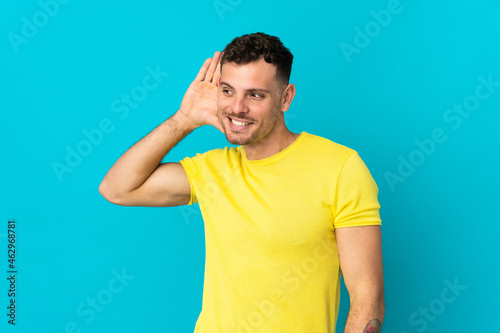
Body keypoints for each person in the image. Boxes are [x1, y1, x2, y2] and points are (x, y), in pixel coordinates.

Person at [99, 32, 385, 333]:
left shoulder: (340, 168)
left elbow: (367, 297)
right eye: (227, 91)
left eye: (255, 95)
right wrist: (184, 119)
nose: (237, 108)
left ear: (285, 98)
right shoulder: (211, 170)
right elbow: (117, 188)